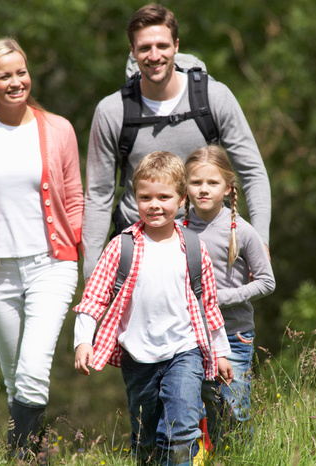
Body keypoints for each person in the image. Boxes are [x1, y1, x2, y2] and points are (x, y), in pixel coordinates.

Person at [0, 37, 83, 459]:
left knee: (30, 372)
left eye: (21, 72)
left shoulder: (58, 129)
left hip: (52, 264)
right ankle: (36, 452)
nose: (16, 82)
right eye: (4, 75)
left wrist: (84, 257)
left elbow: (77, 199)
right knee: (13, 378)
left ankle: (18, 457)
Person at [82, 3, 271, 279]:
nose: (154, 55)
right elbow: (98, 194)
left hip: (210, 246)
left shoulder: (214, 98)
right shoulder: (112, 111)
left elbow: (252, 172)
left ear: (176, 46)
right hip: (140, 249)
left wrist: (260, 242)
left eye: (162, 45)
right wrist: (92, 271)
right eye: (145, 48)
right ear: (132, 52)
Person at [73, 151, 234, 465]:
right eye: (145, 197)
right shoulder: (122, 246)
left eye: (164, 196)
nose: (155, 205)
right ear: (135, 199)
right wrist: (82, 341)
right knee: (146, 437)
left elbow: (208, 305)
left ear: (182, 199)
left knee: (183, 428)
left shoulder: (193, 246)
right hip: (138, 355)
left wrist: (220, 352)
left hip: (185, 350)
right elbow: (93, 299)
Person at [183, 145, 275, 446]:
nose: (204, 190)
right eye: (196, 183)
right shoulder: (175, 229)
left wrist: (221, 297)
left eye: (212, 183)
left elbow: (266, 282)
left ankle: (236, 457)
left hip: (233, 334)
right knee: (188, 410)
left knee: (232, 410)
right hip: (186, 336)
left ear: (227, 187)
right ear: (185, 186)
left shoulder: (242, 230)